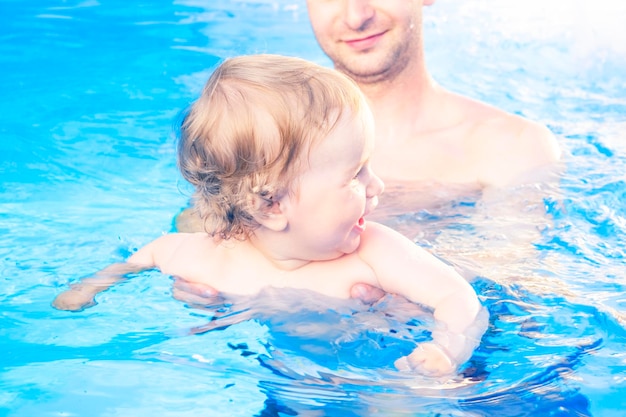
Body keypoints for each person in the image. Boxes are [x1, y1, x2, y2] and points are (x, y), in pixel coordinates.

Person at [52, 54, 487, 377]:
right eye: (356, 174)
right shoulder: (207, 257)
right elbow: (142, 258)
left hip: (383, 369)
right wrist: (89, 289)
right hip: (290, 374)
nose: (378, 187)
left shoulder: (377, 252)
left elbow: (459, 300)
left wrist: (446, 350)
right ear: (272, 206)